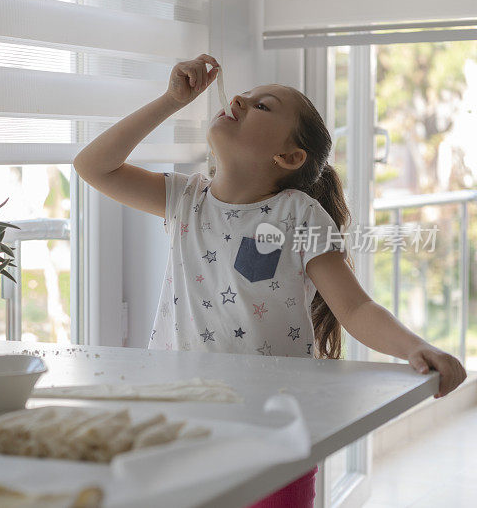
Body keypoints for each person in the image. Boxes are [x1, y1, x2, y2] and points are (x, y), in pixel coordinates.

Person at [71, 53, 467, 507]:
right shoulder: (184, 198)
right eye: (248, 95)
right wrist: (171, 100)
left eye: (263, 105)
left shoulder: (299, 213)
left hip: (274, 433)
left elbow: (355, 308)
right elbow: (92, 166)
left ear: (289, 156)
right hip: (179, 426)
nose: (240, 98)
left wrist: (416, 347)